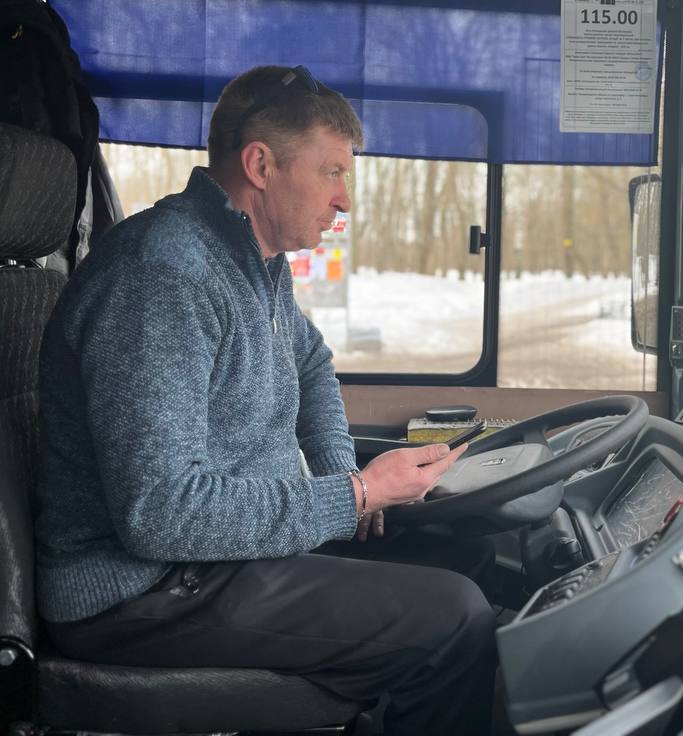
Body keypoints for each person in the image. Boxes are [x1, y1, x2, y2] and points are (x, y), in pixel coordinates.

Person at [34, 65, 497, 735]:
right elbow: (160, 513)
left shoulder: (252, 259)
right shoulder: (163, 274)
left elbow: (311, 364)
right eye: (333, 172)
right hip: (139, 592)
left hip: (212, 558)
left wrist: (344, 471)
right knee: (455, 615)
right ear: (261, 165)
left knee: (470, 551)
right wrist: (354, 496)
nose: (346, 201)